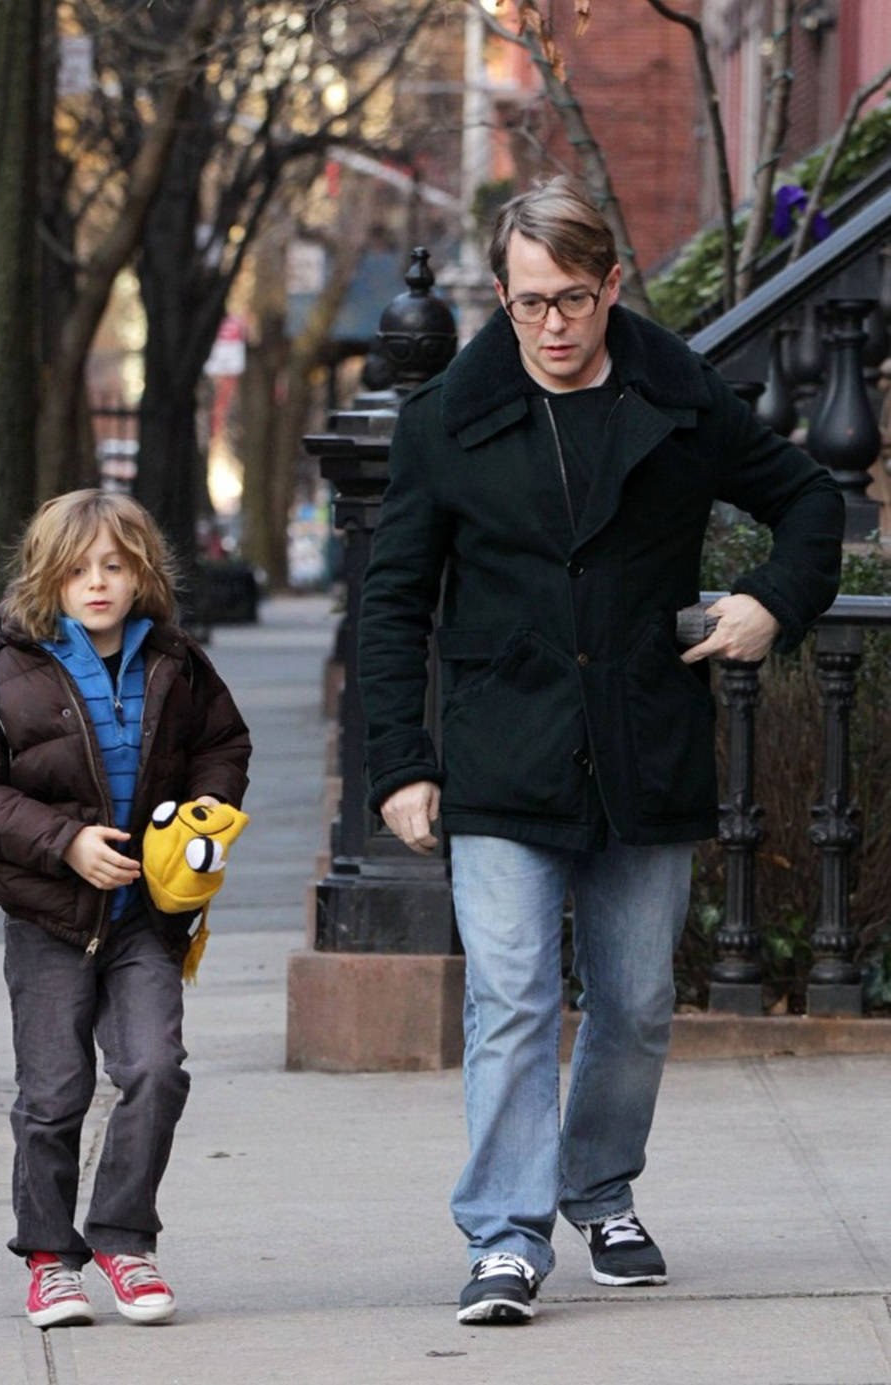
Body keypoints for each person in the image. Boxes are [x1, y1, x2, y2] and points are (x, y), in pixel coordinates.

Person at [358, 177, 844, 1325]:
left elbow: (811, 500)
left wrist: (772, 603)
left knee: (631, 1002)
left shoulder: (678, 400)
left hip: (644, 741)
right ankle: (505, 1234)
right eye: (529, 303)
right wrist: (399, 762)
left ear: (613, 283)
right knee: (515, 994)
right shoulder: (446, 420)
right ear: (501, 295)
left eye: (573, 298)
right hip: (502, 748)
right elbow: (391, 604)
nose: (553, 325)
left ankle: (597, 1187)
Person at [0, 490, 251, 1328]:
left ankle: (123, 1239)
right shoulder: (2, 671)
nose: (98, 583)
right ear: (48, 576)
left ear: (143, 571)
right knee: (54, 1091)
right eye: (78, 569)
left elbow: (224, 743)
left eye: (114, 566)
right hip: (47, 916)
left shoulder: (176, 661)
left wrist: (205, 816)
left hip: (147, 914)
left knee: (155, 1067)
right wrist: (65, 842)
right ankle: (48, 1258)